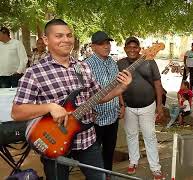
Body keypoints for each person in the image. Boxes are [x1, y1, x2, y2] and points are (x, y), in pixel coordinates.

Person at [10, 19, 132, 180]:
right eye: (59, 36)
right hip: (54, 143)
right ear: (46, 40)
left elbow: (97, 97)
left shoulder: (83, 67)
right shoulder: (34, 73)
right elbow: (17, 112)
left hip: (87, 139)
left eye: (69, 35)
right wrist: (50, 107)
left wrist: (121, 89)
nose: (66, 39)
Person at [117, 36, 165, 180]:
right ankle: (133, 162)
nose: (132, 50)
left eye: (135, 47)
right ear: (125, 49)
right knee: (131, 135)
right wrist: (122, 105)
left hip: (148, 106)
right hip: (129, 107)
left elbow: (158, 84)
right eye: (129, 47)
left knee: (149, 136)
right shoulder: (120, 63)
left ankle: (155, 168)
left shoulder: (149, 61)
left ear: (139, 48)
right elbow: (118, 86)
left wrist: (160, 105)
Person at [85, 31, 125, 176]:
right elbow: (84, 92)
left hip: (113, 115)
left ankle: (107, 175)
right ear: (93, 47)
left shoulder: (113, 63)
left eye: (108, 43)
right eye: (102, 44)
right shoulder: (86, 65)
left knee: (109, 150)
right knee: (93, 154)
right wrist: (89, 112)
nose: (106, 46)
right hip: (95, 118)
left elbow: (118, 86)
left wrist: (122, 105)